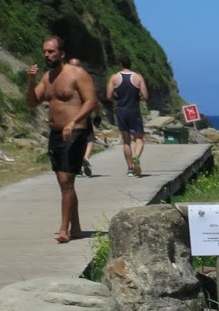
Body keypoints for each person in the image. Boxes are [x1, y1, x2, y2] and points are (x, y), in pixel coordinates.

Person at [26, 36, 98, 243]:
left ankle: (64, 229)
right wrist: (31, 81)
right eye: (45, 52)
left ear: (62, 53)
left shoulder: (77, 74)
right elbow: (31, 102)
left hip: (75, 133)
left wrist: (73, 122)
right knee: (65, 183)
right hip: (56, 134)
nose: (47, 55)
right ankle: (76, 227)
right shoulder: (47, 78)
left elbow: (91, 102)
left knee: (66, 180)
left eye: (51, 51)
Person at [107, 55, 148, 177]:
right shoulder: (138, 77)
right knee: (139, 139)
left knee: (126, 141)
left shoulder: (114, 77)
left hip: (121, 110)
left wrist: (117, 99)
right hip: (134, 110)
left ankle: (130, 168)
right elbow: (145, 96)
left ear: (120, 64)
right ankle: (136, 156)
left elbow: (109, 96)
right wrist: (138, 98)